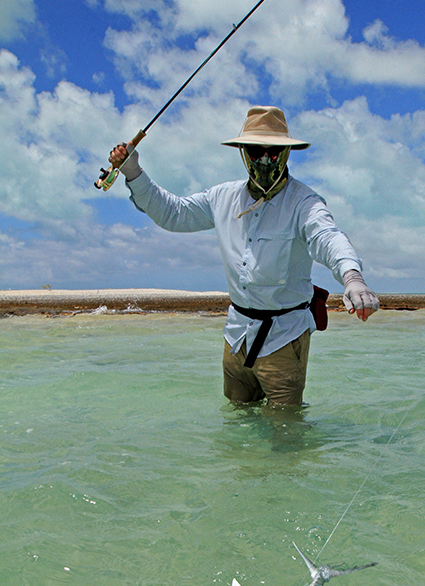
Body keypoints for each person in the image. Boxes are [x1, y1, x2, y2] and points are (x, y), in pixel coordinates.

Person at [109, 106, 379, 406]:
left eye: (273, 152)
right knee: (237, 427)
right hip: (236, 335)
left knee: (286, 435)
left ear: (287, 154)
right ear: (243, 153)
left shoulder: (305, 203)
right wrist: (132, 171)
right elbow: (174, 214)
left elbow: (327, 237)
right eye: (255, 151)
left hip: (285, 339)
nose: (264, 159)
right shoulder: (222, 197)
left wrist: (352, 277)